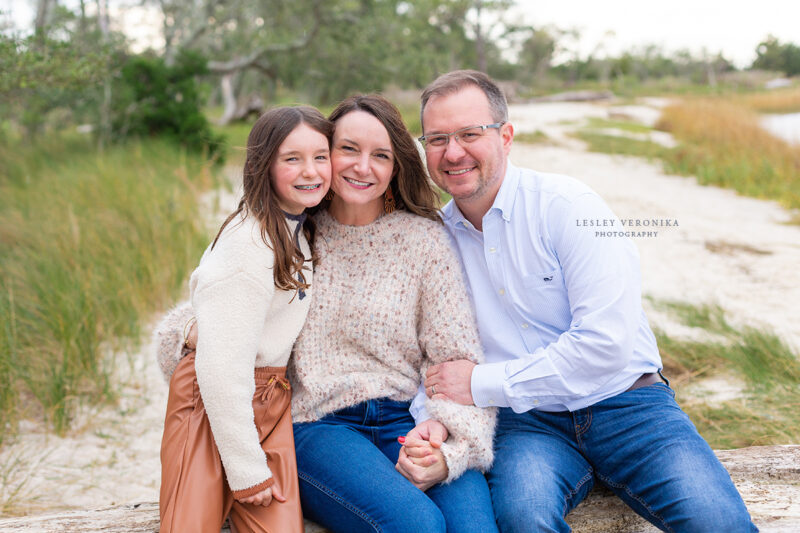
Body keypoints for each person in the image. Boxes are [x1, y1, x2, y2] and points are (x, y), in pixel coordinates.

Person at [410, 70, 758, 532]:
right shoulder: (434, 240)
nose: (453, 152)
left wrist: (480, 383)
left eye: (470, 134)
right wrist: (428, 417)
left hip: (629, 406)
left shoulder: (570, 206)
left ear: (506, 136)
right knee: (522, 517)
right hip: (529, 426)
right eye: (437, 139)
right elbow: (430, 355)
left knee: (718, 523)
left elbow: (605, 344)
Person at [157, 94, 498, 533]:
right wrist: (197, 333)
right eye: (348, 150)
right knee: (417, 525)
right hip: (319, 426)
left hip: (407, 418)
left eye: (381, 155)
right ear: (327, 153)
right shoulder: (289, 233)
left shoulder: (424, 241)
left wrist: (447, 447)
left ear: (396, 167)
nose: (362, 167)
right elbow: (190, 324)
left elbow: (457, 356)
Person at [157, 105, 332, 533]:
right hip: (213, 400)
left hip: (269, 399)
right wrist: (246, 469)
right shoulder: (248, 246)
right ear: (263, 165)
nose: (310, 171)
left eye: (321, 156)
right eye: (292, 159)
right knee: (190, 525)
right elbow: (219, 370)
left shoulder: (297, 227)